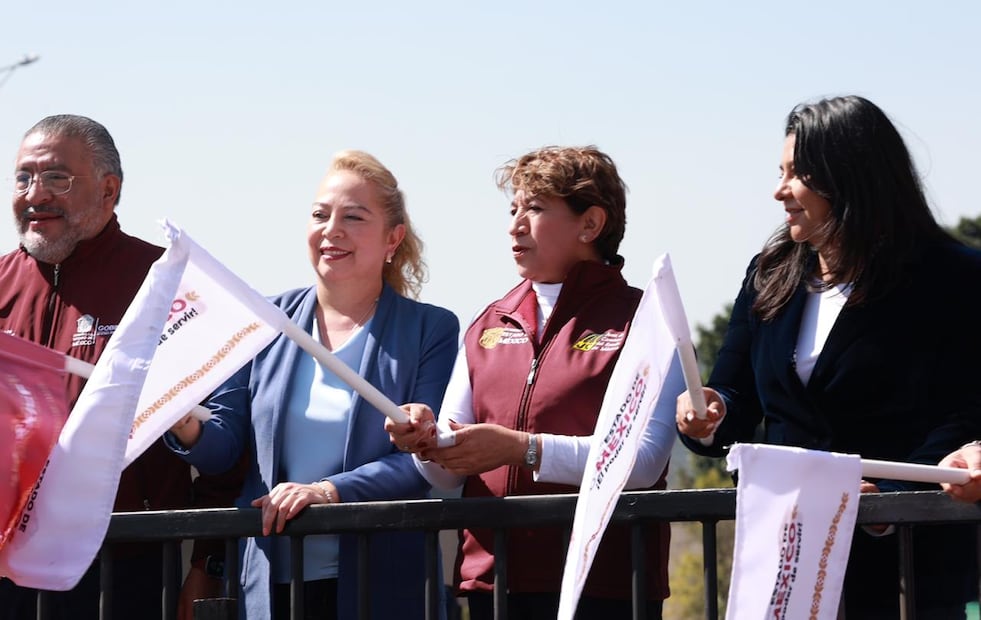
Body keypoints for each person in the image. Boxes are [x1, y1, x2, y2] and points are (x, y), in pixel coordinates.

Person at [675, 96, 981, 618]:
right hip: (787, 559)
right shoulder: (768, 271)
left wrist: (886, 496)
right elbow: (735, 397)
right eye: (781, 171)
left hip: (908, 567)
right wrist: (707, 413)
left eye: (798, 174)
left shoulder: (953, 277)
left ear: (851, 176)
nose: (779, 190)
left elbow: (961, 416)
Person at [387, 146, 682, 620]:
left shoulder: (647, 320)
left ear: (590, 225)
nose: (515, 224)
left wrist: (522, 449)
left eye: (536, 208)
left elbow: (643, 464)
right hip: (493, 585)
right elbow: (446, 474)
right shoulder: (487, 322)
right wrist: (426, 442)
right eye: (513, 209)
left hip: (606, 585)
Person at [165, 150, 459, 620]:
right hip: (270, 581)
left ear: (393, 238)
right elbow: (224, 449)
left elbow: (421, 461)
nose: (332, 229)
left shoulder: (432, 329)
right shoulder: (264, 319)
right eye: (321, 215)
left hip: (382, 584)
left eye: (354, 217)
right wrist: (183, 422)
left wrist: (327, 492)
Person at [0, 114, 237, 619]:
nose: (34, 194)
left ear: (109, 190)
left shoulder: (165, 286)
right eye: (23, 177)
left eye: (57, 178)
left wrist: (208, 562)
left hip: (127, 563)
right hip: (9, 563)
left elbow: (229, 441)